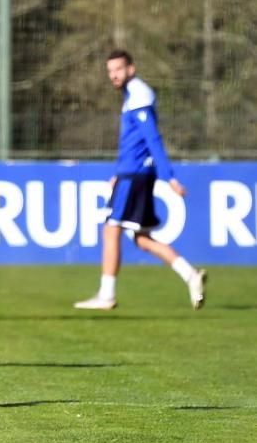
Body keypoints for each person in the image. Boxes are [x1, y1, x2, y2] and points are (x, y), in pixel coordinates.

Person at [75, 50, 207, 310]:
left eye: (118, 69)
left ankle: (107, 294)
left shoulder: (139, 95)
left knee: (111, 229)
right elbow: (135, 144)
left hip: (135, 175)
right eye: (110, 71)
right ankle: (191, 275)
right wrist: (118, 172)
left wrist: (169, 177)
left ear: (131, 69)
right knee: (142, 238)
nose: (114, 75)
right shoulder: (131, 96)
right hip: (131, 173)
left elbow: (152, 139)